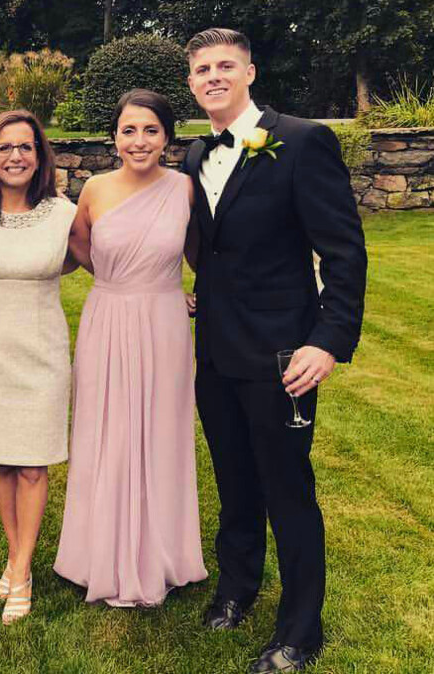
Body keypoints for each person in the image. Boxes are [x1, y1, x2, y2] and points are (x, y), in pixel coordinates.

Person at [182, 28, 367, 673]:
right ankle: (236, 590)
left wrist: (328, 342)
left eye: (225, 65)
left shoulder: (302, 141)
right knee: (234, 482)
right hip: (216, 353)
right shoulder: (194, 157)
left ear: (250, 71)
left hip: (283, 356)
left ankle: (300, 630)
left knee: (287, 487)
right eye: (202, 68)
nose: (214, 76)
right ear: (191, 82)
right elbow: (216, 249)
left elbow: (343, 252)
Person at [54, 89, 208, 607]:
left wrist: (183, 290)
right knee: (107, 430)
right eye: (129, 130)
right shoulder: (94, 189)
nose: (139, 141)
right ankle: (94, 554)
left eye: (150, 130)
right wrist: (122, 281)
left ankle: (164, 554)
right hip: (109, 318)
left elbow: (205, 256)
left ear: (167, 137)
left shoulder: (186, 189)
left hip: (165, 323)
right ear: (114, 137)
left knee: (161, 432)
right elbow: (79, 246)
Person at [0, 110, 76, 624]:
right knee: (2, 461)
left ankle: (22, 569)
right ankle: (16, 554)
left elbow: (108, 262)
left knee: (34, 462)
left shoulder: (65, 214)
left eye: (25, 147)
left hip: (42, 347)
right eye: (4, 148)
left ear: (40, 155)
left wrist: (165, 296)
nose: (15, 157)